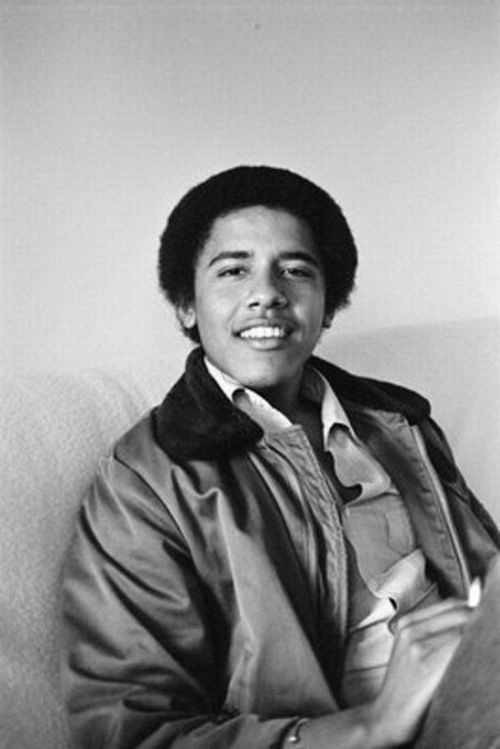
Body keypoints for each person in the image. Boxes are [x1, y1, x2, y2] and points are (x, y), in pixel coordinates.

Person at [61, 165, 500, 749]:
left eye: (295, 270)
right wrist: (371, 725)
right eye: (233, 270)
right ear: (186, 304)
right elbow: (133, 733)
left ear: (328, 305)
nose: (267, 293)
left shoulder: (400, 424)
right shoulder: (145, 484)